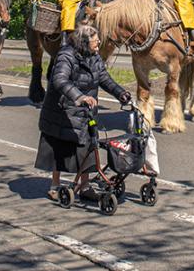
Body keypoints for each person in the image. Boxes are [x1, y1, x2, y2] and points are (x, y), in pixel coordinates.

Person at [35, 25, 131, 201]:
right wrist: (79, 97)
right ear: (84, 42)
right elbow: (59, 79)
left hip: (85, 110)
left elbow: (103, 78)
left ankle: (85, 187)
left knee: (88, 147)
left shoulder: (94, 56)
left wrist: (120, 93)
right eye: (95, 40)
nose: (99, 42)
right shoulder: (66, 55)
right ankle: (54, 186)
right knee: (60, 148)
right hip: (63, 110)